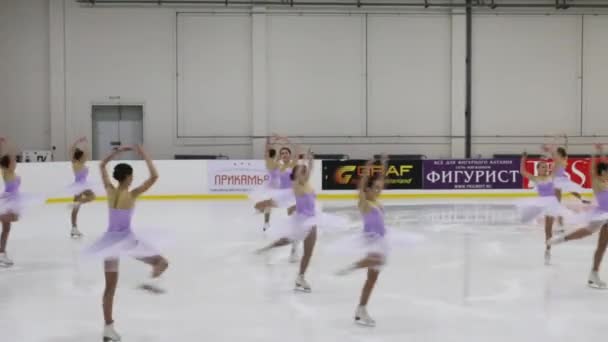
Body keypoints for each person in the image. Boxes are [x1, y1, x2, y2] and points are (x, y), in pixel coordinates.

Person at [84, 145, 169, 341]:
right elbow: (154, 177)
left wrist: (116, 153)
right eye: (131, 175)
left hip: (109, 243)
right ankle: (150, 282)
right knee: (162, 262)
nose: (133, 179)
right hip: (126, 241)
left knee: (110, 289)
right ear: (128, 177)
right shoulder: (131, 194)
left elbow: (102, 165)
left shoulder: (109, 191)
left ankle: (108, 328)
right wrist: (144, 154)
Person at [335, 155, 389, 327]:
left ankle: (361, 309)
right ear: (367, 190)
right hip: (371, 240)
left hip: (381, 241)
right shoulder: (364, 203)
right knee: (377, 261)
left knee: (371, 280)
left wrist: (384, 165)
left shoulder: (377, 202)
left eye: (379, 189)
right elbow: (361, 186)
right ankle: (354, 265)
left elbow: (379, 181)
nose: (378, 190)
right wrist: (367, 169)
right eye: (375, 189)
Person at [548, 144, 608, 289]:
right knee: (587, 234)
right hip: (602, 214)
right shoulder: (597, 182)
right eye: (606, 171)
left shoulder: (606, 182)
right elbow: (592, 170)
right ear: (601, 173)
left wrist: (602, 153)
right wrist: (596, 153)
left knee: (602, 245)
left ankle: (593, 275)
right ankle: (563, 239)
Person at [517, 152, 570, 265]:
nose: (545, 168)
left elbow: (558, 164)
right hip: (542, 204)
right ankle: (548, 247)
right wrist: (523, 160)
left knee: (549, 228)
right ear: (538, 169)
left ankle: (548, 248)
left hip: (551, 204)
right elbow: (522, 172)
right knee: (547, 229)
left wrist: (552, 154)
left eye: (546, 167)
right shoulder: (536, 178)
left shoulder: (551, 176)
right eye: (542, 167)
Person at [67, 137, 97, 238]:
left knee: (77, 207)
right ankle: (74, 228)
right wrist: (79, 141)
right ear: (79, 158)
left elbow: (86, 153)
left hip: (80, 185)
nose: (85, 157)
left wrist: (83, 143)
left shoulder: (79, 163)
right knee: (91, 197)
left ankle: (74, 228)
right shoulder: (76, 164)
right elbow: (71, 150)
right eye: (83, 156)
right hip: (80, 185)